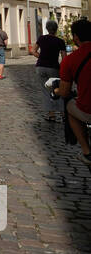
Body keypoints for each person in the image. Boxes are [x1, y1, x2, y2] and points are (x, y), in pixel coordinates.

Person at [55, 18, 91, 167]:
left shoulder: (70, 60)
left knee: (70, 106)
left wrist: (55, 90)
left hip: (87, 109)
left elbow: (64, 92)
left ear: (76, 37)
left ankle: (86, 152)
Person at [35, 19, 66, 122]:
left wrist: (40, 57)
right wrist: (61, 66)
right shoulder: (60, 41)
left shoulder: (41, 39)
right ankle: (63, 114)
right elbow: (64, 57)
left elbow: (32, 50)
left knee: (45, 91)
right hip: (54, 68)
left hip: (40, 67)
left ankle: (51, 115)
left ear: (47, 29)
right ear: (56, 29)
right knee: (58, 90)